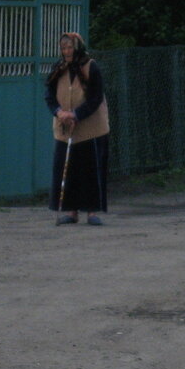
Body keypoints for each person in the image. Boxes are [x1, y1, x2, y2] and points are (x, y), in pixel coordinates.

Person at [44, 32, 110, 225]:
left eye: (70, 47)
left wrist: (76, 114)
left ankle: (92, 212)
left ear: (77, 48)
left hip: (91, 127)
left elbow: (96, 97)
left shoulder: (91, 66)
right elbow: (48, 94)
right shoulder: (59, 68)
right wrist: (59, 112)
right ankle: (71, 211)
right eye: (63, 48)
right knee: (67, 168)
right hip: (64, 127)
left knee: (90, 169)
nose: (66, 52)